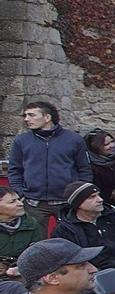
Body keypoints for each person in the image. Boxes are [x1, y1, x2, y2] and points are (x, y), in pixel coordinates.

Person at [9, 100, 91, 233]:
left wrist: (79, 194)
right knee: (36, 244)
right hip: (33, 203)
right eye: (25, 116)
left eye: (31, 115)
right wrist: (20, 191)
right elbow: (15, 169)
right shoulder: (21, 141)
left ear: (47, 117)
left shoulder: (74, 140)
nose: (27, 119)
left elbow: (84, 169)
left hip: (66, 202)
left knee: (71, 239)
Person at [1, 185, 36, 290]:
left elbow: (36, 251)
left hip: (22, 272)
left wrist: (19, 267)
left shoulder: (31, 223)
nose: (20, 204)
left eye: (19, 200)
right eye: (12, 202)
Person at [83, 128, 115, 202]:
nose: (112, 145)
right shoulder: (91, 167)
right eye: (106, 144)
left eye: (112, 142)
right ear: (95, 148)